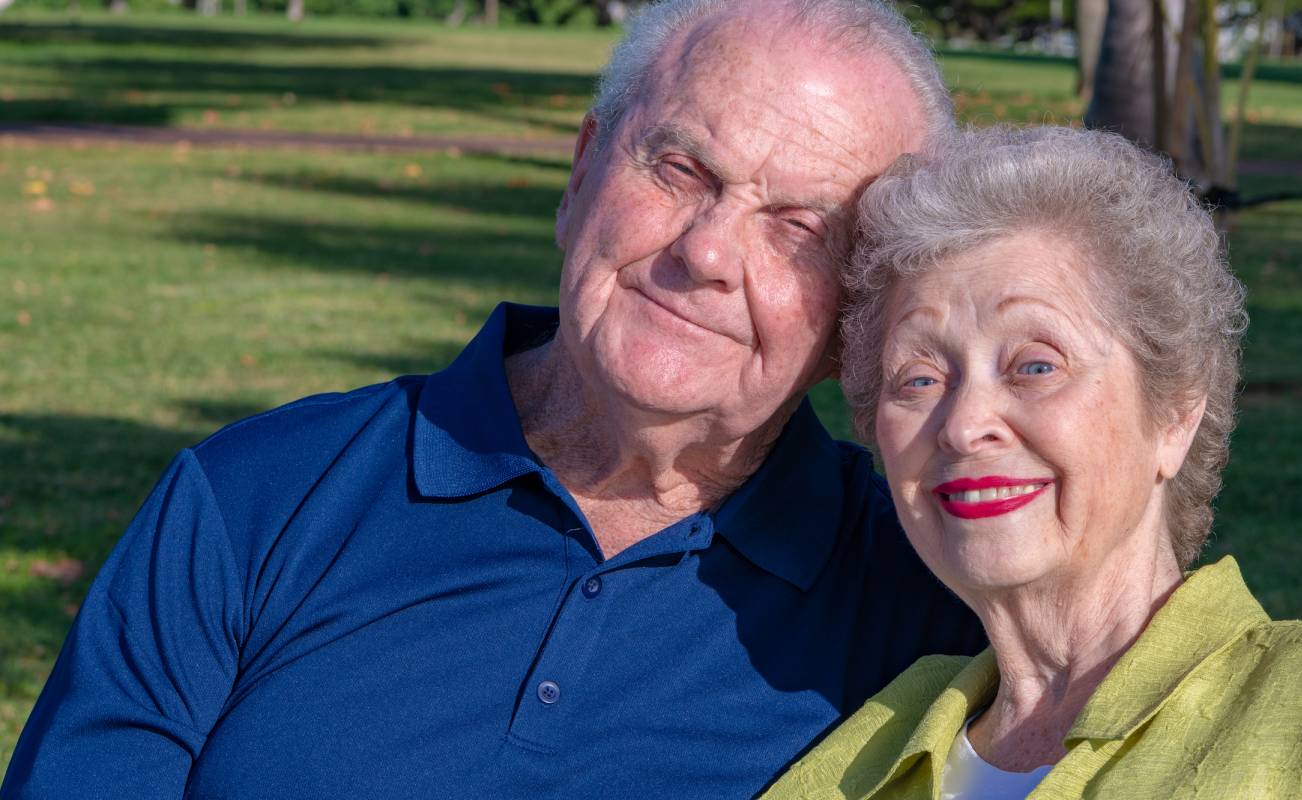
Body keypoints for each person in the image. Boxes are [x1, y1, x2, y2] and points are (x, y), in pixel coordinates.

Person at [0, 1, 985, 797]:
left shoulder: (932, 592)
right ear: (583, 168)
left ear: (859, 309)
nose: (706, 252)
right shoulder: (255, 496)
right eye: (681, 170)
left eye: (799, 226)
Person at [762, 125, 1302, 799]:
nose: (964, 424)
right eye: (920, 379)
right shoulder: (862, 752)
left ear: (1176, 412)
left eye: (1036, 365)